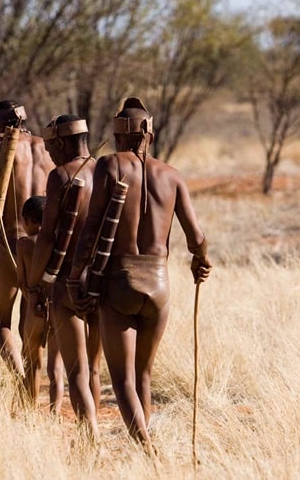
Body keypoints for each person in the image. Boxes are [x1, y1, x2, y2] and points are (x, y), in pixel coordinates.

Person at [67, 97, 212, 453]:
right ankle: (144, 453)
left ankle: (147, 449)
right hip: (159, 285)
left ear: (119, 135)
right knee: (143, 376)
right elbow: (197, 238)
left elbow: (91, 229)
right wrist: (201, 261)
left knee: (123, 380)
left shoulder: (109, 165)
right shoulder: (172, 175)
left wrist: (74, 278)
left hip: (119, 281)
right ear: (150, 134)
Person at [27, 115, 102, 440]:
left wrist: (35, 283)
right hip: (102, 280)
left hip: (67, 282)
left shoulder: (61, 175)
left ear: (59, 142)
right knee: (95, 370)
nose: (49, 155)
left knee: (77, 371)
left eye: (49, 148)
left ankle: (91, 436)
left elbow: (46, 237)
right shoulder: (105, 170)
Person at [0, 100, 55, 376]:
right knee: (31, 320)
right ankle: (34, 381)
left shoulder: (2, 146)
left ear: (0, 125)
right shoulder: (47, 147)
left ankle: (21, 379)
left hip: (11, 242)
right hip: (43, 245)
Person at [16, 195, 65, 414]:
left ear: (27, 220)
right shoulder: (58, 242)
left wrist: (32, 302)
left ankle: (31, 409)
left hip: (35, 308)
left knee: (32, 362)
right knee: (56, 366)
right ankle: (55, 412)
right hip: (57, 307)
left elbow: (22, 281)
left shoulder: (24, 244)